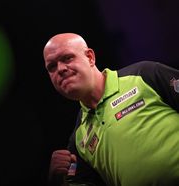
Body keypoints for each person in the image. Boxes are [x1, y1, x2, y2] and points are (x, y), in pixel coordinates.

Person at [43, 33, 179, 186]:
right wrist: (58, 182)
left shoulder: (144, 76)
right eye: (52, 67)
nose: (60, 69)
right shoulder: (78, 140)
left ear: (90, 57)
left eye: (67, 58)